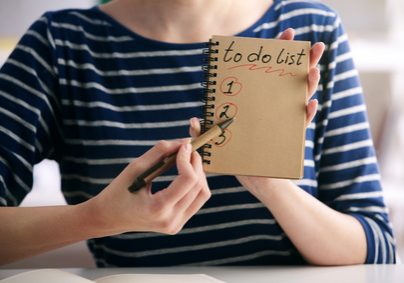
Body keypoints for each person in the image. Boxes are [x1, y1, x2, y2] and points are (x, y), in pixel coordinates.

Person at [0, 0, 396, 266]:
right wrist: (97, 217)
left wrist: (270, 185)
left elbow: (377, 249)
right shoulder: (61, 44)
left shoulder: (312, 28)